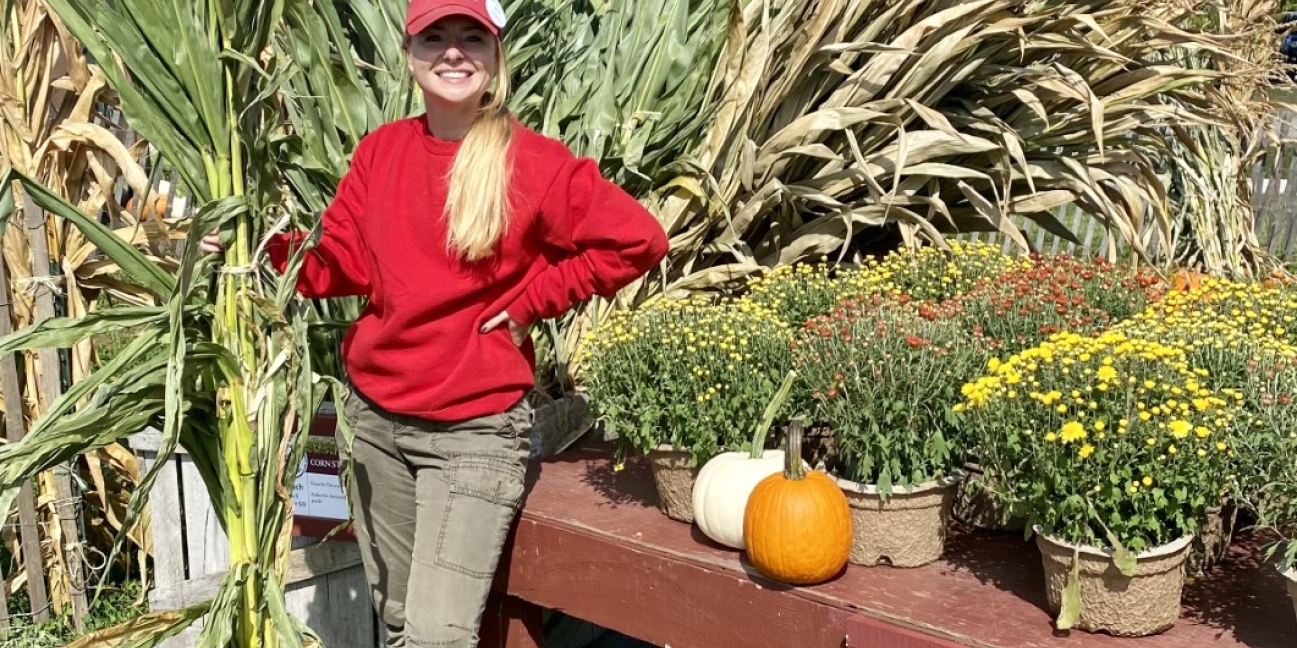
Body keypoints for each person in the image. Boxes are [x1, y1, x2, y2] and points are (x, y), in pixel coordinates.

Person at [202, 0, 669, 644]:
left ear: (495, 54)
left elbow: (638, 240)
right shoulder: (380, 153)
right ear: (410, 54)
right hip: (374, 424)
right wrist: (257, 248)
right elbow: (339, 262)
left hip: (473, 432)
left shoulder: (532, 163)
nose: (453, 51)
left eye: (471, 36)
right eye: (436, 36)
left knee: (436, 637)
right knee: (396, 624)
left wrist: (535, 299)